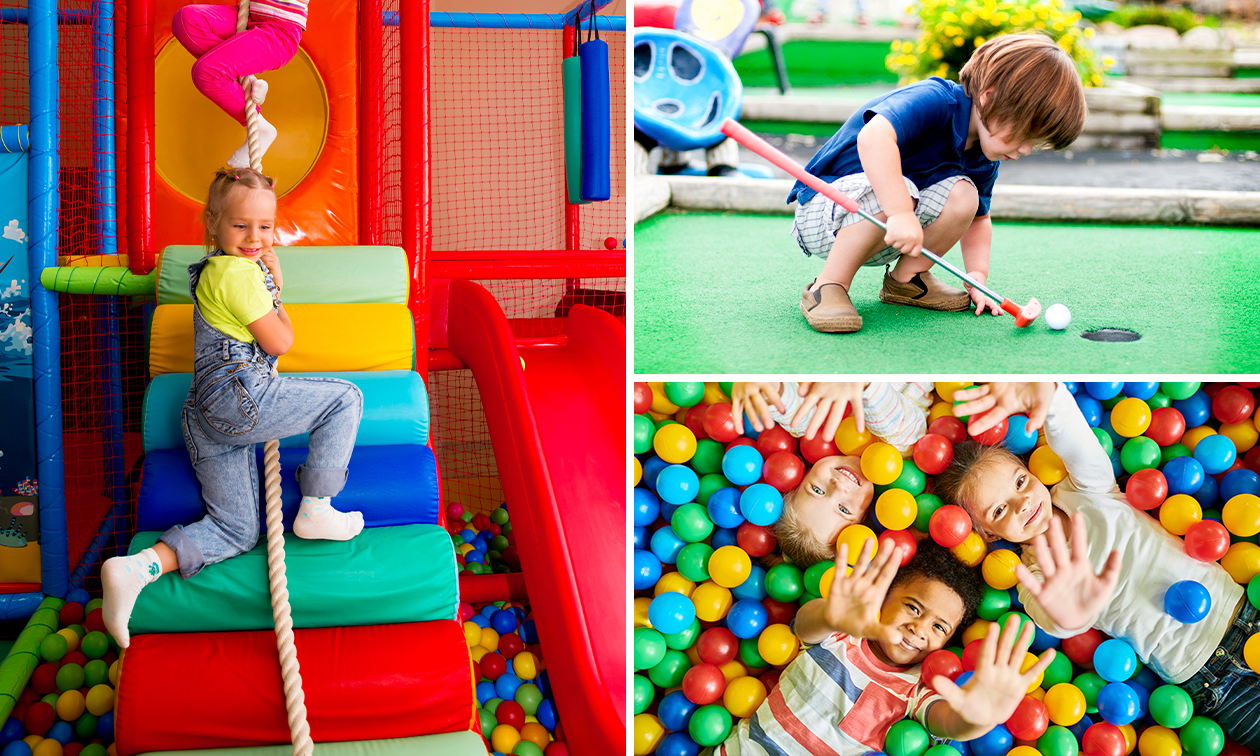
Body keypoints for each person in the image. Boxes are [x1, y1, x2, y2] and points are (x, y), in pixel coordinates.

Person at [101, 167, 365, 648]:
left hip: (205, 416)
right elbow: (281, 339)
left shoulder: (212, 269)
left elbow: (237, 185)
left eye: (265, 227)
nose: (253, 237)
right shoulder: (241, 276)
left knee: (237, 530)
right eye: (241, 226)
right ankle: (317, 506)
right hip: (237, 399)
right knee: (346, 398)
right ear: (213, 224)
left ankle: (140, 567)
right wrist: (275, 289)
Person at [940, 381, 1260, 750]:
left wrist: (1046, 394)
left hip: (1241, 613)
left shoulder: (1086, 492)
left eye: (1020, 482)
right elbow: (1060, 620)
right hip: (1208, 681)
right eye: (999, 510)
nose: (1022, 503)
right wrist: (1074, 613)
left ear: (1031, 471)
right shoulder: (1033, 578)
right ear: (988, 534)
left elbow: (1074, 438)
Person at [787, 33, 1085, 333]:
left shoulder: (983, 158)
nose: (1025, 150)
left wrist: (977, 277)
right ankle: (828, 285)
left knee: (965, 195)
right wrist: (901, 213)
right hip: (824, 211)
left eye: (1035, 142)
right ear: (989, 98)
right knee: (902, 190)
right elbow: (873, 138)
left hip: (888, 228)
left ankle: (907, 281)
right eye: (1025, 134)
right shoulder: (934, 100)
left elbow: (979, 220)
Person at [718, 538, 1054, 755]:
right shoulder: (842, 636)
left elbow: (945, 722)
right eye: (913, 607)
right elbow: (806, 625)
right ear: (884, 596)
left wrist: (977, 718)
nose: (919, 628)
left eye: (938, 627)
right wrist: (832, 615)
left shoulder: (917, 689)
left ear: (947, 643)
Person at [731, 381, 932, 565]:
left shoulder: (821, 431)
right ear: (864, 519)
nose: (838, 488)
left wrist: (767, 391)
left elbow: (796, 413)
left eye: (817, 490)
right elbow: (904, 426)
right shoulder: (900, 452)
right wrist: (864, 385)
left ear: (801, 477)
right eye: (843, 510)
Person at [171, 0, 308, 167]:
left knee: (206, 73)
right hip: (250, 15)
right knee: (187, 20)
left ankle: (260, 126)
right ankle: (246, 80)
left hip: (280, 31)